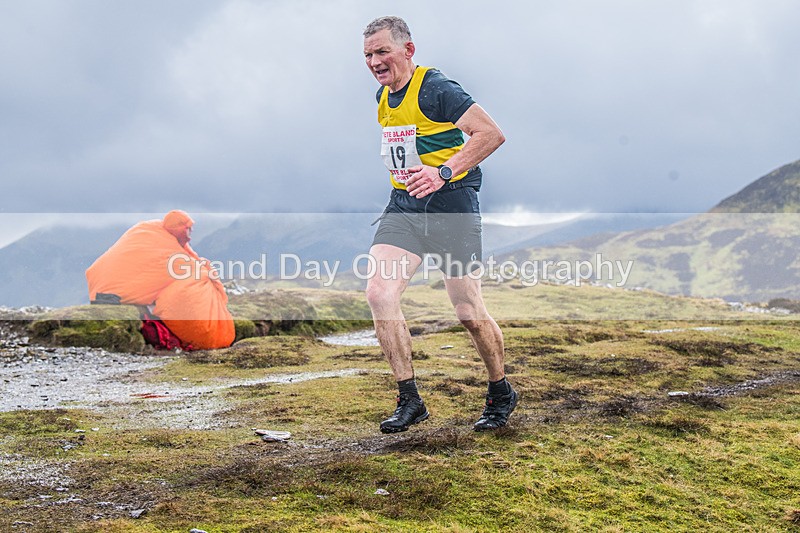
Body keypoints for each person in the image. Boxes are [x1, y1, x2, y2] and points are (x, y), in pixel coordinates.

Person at [363, 16, 517, 433]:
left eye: (382, 52)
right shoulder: (382, 96)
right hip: (405, 207)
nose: (374, 62)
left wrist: (443, 172)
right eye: (368, 55)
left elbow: (490, 134)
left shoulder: (436, 88)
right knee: (379, 293)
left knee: (468, 312)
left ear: (408, 50)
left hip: (452, 206)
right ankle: (409, 399)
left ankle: (500, 390)